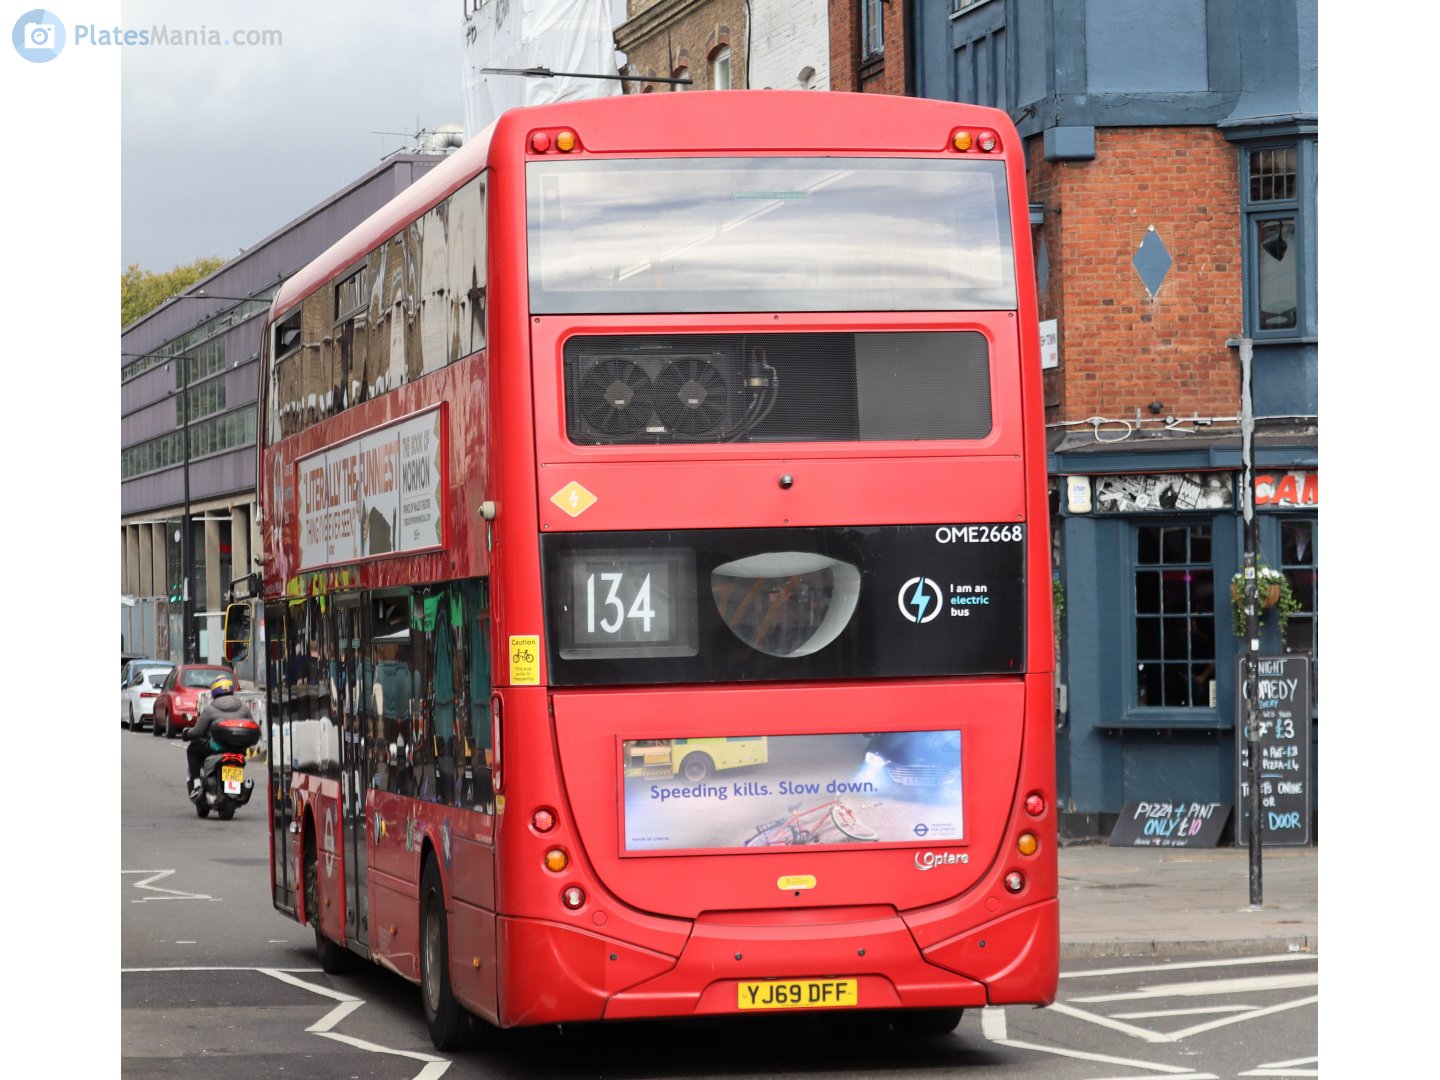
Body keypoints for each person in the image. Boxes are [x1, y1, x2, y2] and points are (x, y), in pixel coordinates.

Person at [183, 674, 253, 800]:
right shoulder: (244, 708)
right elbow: (252, 725)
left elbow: (197, 731)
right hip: (239, 750)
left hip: (216, 748)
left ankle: (197, 785)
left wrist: (187, 733)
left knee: (192, 750)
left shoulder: (210, 709)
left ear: (214, 691)